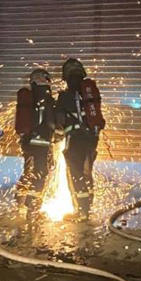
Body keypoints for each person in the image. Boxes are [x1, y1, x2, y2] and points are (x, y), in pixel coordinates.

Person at [55, 58, 103, 222]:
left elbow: (59, 122)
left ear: (66, 77)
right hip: (92, 138)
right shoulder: (90, 93)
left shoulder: (64, 96)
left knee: (75, 174)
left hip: (75, 139)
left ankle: (80, 211)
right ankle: (87, 208)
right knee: (86, 172)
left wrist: (57, 133)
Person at [15, 68, 56, 217]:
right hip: (41, 143)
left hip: (27, 142)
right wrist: (57, 132)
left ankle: (20, 200)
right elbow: (51, 122)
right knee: (40, 173)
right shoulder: (46, 98)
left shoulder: (29, 97)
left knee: (28, 171)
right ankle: (33, 208)